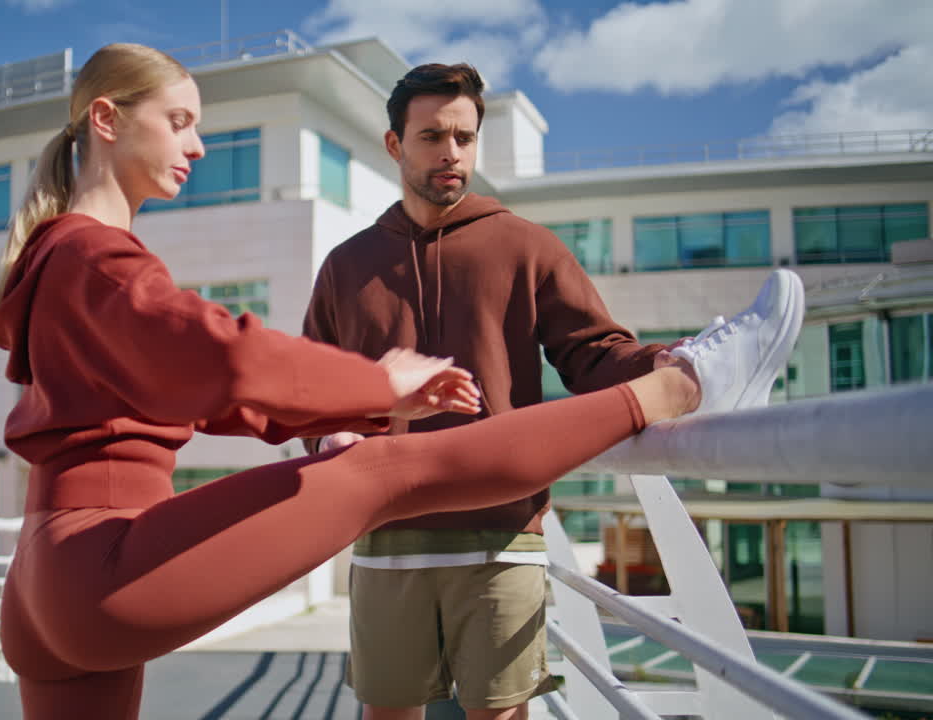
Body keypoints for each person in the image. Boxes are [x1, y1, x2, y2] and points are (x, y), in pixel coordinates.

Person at [0, 43, 802, 720]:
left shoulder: (52, 261)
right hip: (102, 562)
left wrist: (347, 401)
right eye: (181, 122)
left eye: (465, 138)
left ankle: (672, 374)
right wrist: (373, 388)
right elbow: (225, 358)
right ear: (108, 120)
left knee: (366, 473)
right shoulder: (97, 255)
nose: (198, 145)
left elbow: (209, 387)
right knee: (380, 472)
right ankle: (688, 384)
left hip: (42, 581)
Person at [302, 63, 803, 720]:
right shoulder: (346, 266)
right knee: (387, 714)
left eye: (464, 136)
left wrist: (660, 359)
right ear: (395, 144)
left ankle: (696, 374)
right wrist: (326, 432)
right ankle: (695, 378)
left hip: (504, 535)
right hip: (388, 535)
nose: (451, 153)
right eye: (431, 137)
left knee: (502, 715)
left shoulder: (526, 246)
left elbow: (594, 357)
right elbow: (311, 390)